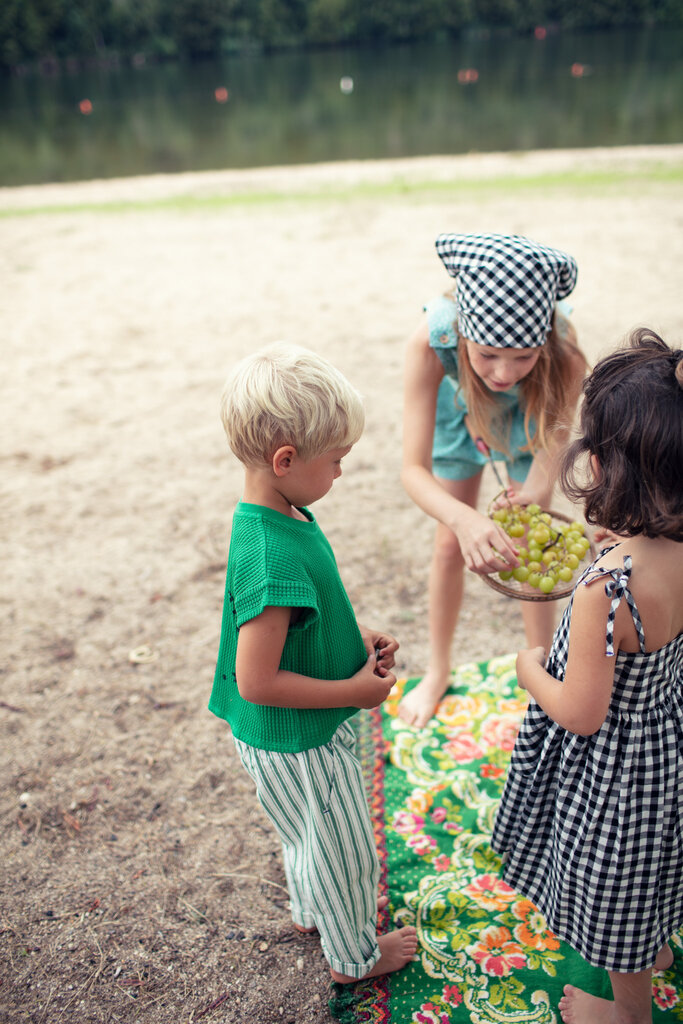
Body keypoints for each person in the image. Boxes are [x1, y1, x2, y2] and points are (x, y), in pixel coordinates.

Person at [209, 343, 418, 984]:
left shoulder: (283, 513)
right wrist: (355, 692)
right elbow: (259, 680)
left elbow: (311, 614)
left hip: (287, 739)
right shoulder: (272, 557)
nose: (340, 474)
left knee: (306, 833)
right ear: (286, 460)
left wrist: (355, 637)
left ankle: (311, 909)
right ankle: (355, 956)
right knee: (343, 848)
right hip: (300, 740)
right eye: (336, 461)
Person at [491, 328, 683, 1024]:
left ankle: (628, 1009)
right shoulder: (665, 550)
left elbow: (580, 712)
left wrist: (526, 668)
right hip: (666, 746)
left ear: (601, 465)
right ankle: (652, 943)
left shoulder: (605, 586)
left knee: (614, 886)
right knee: (655, 865)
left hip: (615, 774)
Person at [399, 233, 588, 728]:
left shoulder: (564, 356)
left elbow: (556, 439)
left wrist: (534, 491)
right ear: (462, 337)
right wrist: (462, 519)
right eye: (487, 355)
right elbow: (411, 469)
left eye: (522, 357)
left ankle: (543, 668)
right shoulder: (430, 343)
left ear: (542, 345)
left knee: (530, 546)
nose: (504, 372)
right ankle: (437, 669)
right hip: (456, 415)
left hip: (527, 420)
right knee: (447, 548)